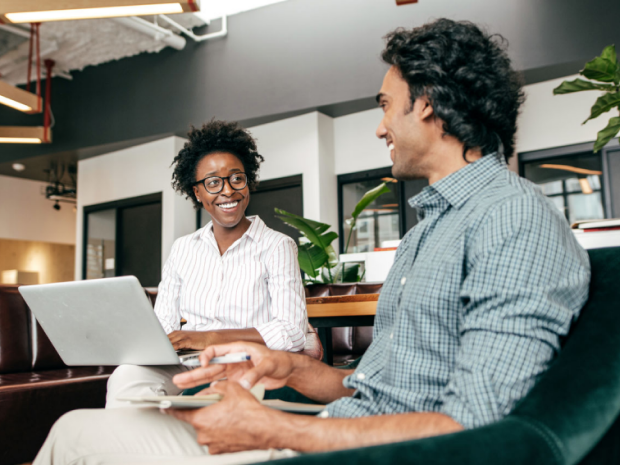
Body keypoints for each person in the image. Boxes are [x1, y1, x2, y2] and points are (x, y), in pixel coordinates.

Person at [34, 18, 590, 464]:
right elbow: (378, 387)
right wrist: (290, 370)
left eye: (383, 105)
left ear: (426, 105)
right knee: (76, 428)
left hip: (337, 449)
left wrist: (275, 427)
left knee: (75, 438)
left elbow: (474, 427)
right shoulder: (434, 229)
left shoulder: (513, 220)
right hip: (330, 431)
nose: (380, 127)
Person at [105, 120, 308, 408]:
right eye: (213, 183)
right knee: (127, 378)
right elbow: (164, 324)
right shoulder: (183, 248)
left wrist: (208, 338)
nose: (227, 191)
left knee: (209, 397)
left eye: (237, 178)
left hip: (245, 365)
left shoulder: (277, 246)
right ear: (197, 193)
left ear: (248, 181)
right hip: (186, 363)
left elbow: (291, 331)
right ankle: (135, 449)